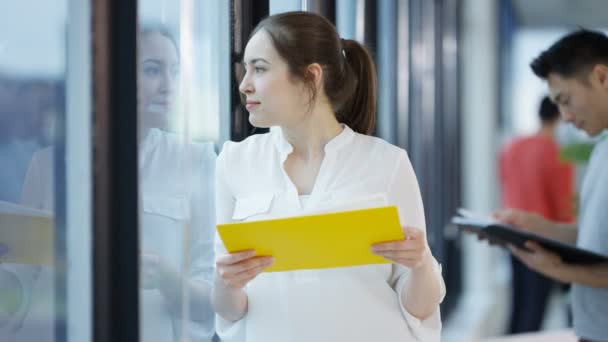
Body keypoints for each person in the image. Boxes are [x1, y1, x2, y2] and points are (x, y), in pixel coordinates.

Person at [211, 11, 445, 342]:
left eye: (259, 68)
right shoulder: (234, 163)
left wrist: (421, 264)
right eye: (245, 68)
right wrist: (227, 282)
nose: (244, 84)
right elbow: (230, 311)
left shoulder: (387, 163)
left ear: (311, 76)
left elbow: (420, 309)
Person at [0, 25, 217, 342]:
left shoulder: (197, 160)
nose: (168, 86)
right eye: (153, 70)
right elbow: (25, 276)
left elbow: (213, 296)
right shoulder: (47, 163)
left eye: (175, 71)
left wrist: (167, 279)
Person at [494, 29, 608, 342]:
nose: (567, 117)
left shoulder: (516, 147)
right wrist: (539, 226)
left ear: (601, 77)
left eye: (566, 100)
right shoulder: (600, 149)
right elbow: (594, 238)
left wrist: (560, 269)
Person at [498, 96, 575, 334]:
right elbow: (563, 208)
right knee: (535, 311)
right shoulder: (555, 153)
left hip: (512, 235)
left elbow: (504, 183)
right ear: (560, 115)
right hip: (543, 241)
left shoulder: (512, 146)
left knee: (518, 307)